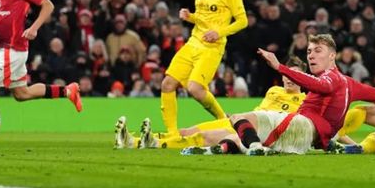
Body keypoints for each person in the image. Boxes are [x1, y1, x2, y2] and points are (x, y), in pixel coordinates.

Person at [187, 34, 375, 155]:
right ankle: (220, 149)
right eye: (309, 51)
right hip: (305, 139)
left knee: (239, 119)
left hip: (303, 126)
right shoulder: (350, 83)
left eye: (318, 50)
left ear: (332, 55)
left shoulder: (330, 77)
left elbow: (320, 85)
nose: (311, 55)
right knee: (241, 136)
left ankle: (255, 149)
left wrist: (279, 67)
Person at [115, 56, 307, 150]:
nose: (289, 79)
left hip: (254, 131)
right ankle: (134, 141)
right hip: (240, 120)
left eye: (295, 75)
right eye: (286, 75)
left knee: (203, 136)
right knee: (184, 131)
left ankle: (147, 143)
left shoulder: (305, 100)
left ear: (303, 78)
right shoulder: (273, 90)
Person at [160, 0, 247, 135]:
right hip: (193, 42)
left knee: (195, 88)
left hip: (212, 47)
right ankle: (173, 134)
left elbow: (242, 21)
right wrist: (190, 17)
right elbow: (202, 17)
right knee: (167, 84)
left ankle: (224, 119)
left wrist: (220, 32)